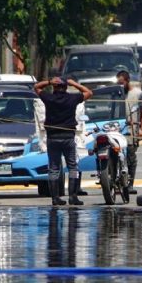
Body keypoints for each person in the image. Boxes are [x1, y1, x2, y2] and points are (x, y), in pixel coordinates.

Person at [35, 76, 92, 206]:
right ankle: (73, 197)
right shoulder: (72, 98)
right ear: (66, 87)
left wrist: (49, 81)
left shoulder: (49, 98)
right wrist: (74, 83)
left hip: (52, 138)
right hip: (68, 138)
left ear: (54, 87)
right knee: (72, 166)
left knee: (54, 169)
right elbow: (89, 93)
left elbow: (36, 87)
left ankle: (55, 198)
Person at [116, 70, 142, 194]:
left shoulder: (138, 94)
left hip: (131, 133)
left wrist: (141, 129)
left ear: (127, 81)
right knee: (118, 158)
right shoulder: (117, 94)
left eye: (122, 83)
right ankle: (117, 183)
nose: (120, 85)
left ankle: (130, 184)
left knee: (130, 158)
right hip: (117, 131)